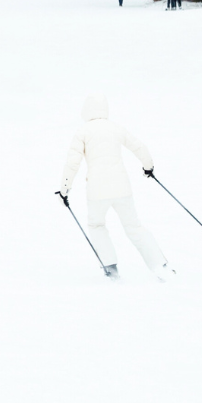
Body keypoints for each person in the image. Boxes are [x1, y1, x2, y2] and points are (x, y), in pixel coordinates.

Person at [57, 95, 170, 281]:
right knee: (134, 226)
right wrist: (148, 167)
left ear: (86, 110)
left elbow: (72, 163)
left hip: (97, 192)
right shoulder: (115, 128)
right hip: (122, 189)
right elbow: (139, 147)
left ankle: (111, 269)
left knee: (97, 225)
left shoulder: (83, 132)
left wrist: (64, 189)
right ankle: (160, 265)